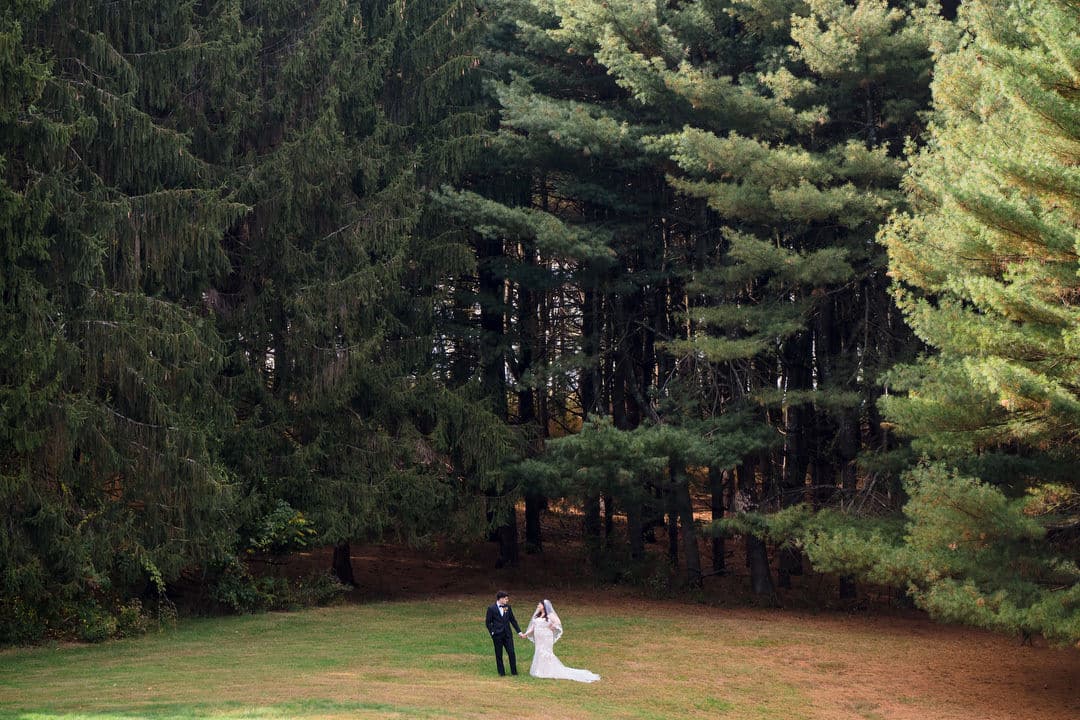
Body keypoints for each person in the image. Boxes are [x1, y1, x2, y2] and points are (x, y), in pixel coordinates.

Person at [521, 599, 600, 682]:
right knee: (539, 651)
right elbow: (533, 627)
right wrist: (526, 634)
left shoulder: (550, 615)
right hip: (538, 637)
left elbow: (558, 622)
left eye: (539, 604)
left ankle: (547, 671)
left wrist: (553, 626)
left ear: (544, 606)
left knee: (545, 652)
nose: (538, 606)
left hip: (546, 636)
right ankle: (540, 670)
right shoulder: (538, 615)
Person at [484, 590, 522, 676]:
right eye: (506, 599)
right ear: (500, 599)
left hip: (507, 634)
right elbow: (488, 622)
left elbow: (512, 620)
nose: (507, 600)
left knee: (511, 652)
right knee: (499, 654)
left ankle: (514, 672)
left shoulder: (507, 607)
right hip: (497, 635)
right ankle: (501, 673)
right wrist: (492, 632)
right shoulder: (491, 608)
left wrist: (519, 631)